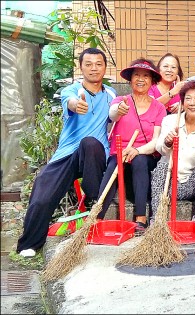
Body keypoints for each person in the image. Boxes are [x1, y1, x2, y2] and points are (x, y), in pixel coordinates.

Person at [16, 48, 116, 258]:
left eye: (98, 64)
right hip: (68, 153)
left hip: (95, 155)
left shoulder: (111, 94)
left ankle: (92, 198)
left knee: (91, 142)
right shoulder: (71, 91)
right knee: (42, 190)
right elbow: (70, 103)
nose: (94, 68)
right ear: (81, 68)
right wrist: (76, 104)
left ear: (105, 67)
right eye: (88, 64)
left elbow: (116, 116)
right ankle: (30, 243)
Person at [96, 58, 166, 235]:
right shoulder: (121, 101)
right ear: (130, 79)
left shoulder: (158, 107)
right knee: (113, 165)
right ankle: (96, 217)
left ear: (152, 81)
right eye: (136, 75)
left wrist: (137, 150)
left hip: (145, 155)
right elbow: (113, 115)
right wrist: (118, 110)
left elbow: (156, 142)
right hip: (119, 154)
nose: (140, 79)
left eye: (145, 76)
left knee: (141, 161)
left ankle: (141, 217)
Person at [151, 80, 195, 231]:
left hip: (190, 185)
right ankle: (157, 218)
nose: (192, 103)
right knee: (162, 165)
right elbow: (160, 149)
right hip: (168, 184)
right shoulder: (170, 121)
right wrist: (168, 141)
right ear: (182, 102)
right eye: (188, 99)